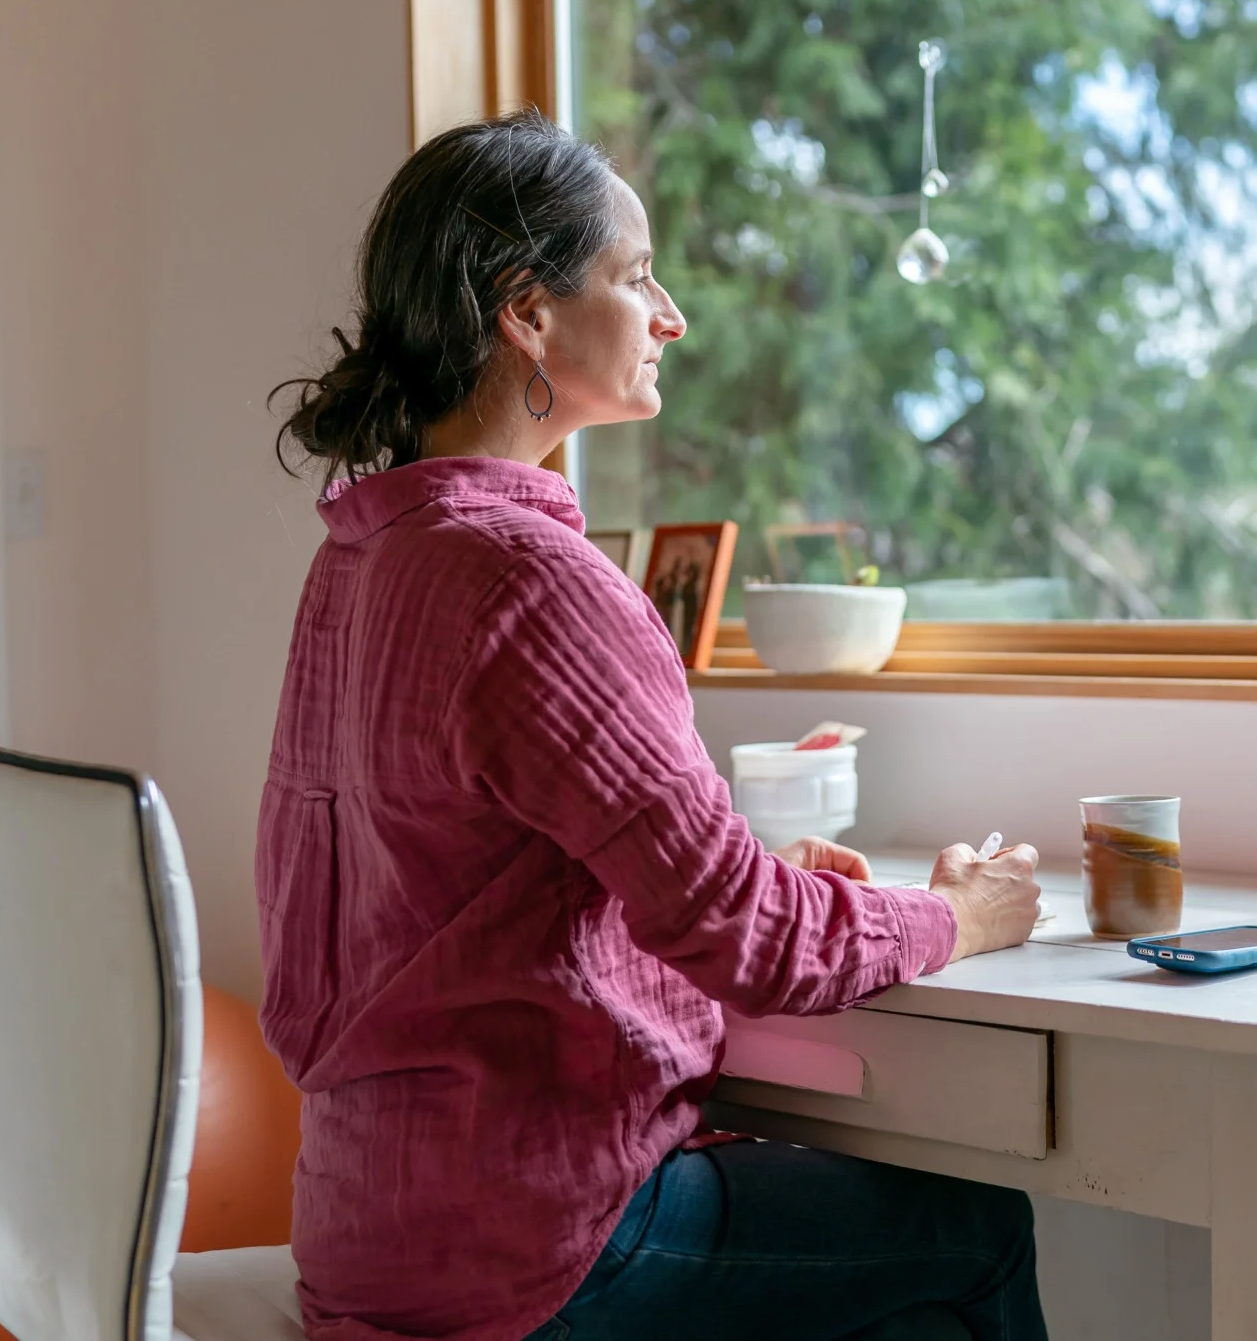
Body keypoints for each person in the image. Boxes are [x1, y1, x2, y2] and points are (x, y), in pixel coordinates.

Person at [261, 110, 1049, 1341]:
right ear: (526, 312)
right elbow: (744, 942)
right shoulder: (530, 577)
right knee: (976, 1232)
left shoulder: (363, 560)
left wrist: (715, 880)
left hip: (366, 1238)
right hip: (531, 1250)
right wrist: (962, 915)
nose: (671, 315)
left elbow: (441, 894)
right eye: (634, 278)